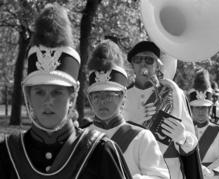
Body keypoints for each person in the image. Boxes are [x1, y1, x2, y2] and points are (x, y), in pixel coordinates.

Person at [0, 4, 131, 179]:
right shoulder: (7, 153)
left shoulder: (101, 152)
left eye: (57, 92)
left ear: (72, 96)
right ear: (28, 96)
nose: (48, 101)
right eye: (39, 92)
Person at [85, 40, 170, 179]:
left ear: (123, 97)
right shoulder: (81, 136)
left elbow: (161, 177)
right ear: (89, 98)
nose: (102, 101)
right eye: (96, 96)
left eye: (109, 95)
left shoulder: (141, 137)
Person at [124, 40, 202, 179]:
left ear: (157, 65)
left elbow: (191, 143)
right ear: (132, 65)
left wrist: (182, 138)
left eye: (149, 60)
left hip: (170, 170)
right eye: (138, 60)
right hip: (134, 169)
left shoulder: (172, 92)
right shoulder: (122, 96)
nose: (143, 64)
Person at [189, 68, 219, 179]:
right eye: (197, 107)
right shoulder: (185, 131)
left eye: (204, 108)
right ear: (191, 109)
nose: (201, 111)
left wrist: (211, 171)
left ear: (210, 109)